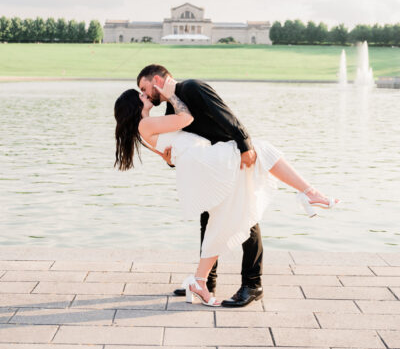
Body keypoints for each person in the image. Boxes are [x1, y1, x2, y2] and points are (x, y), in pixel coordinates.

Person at [114, 67, 339, 307]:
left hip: (223, 158)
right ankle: (205, 282)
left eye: (145, 89)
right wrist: (171, 155)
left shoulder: (192, 87)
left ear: (157, 80)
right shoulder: (165, 110)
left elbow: (226, 116)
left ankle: (247, 284)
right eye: (141, 94)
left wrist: (244, 146)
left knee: (242, 214)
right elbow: (178, 138)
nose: (146, 95)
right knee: (224, 218)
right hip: (211, 165)